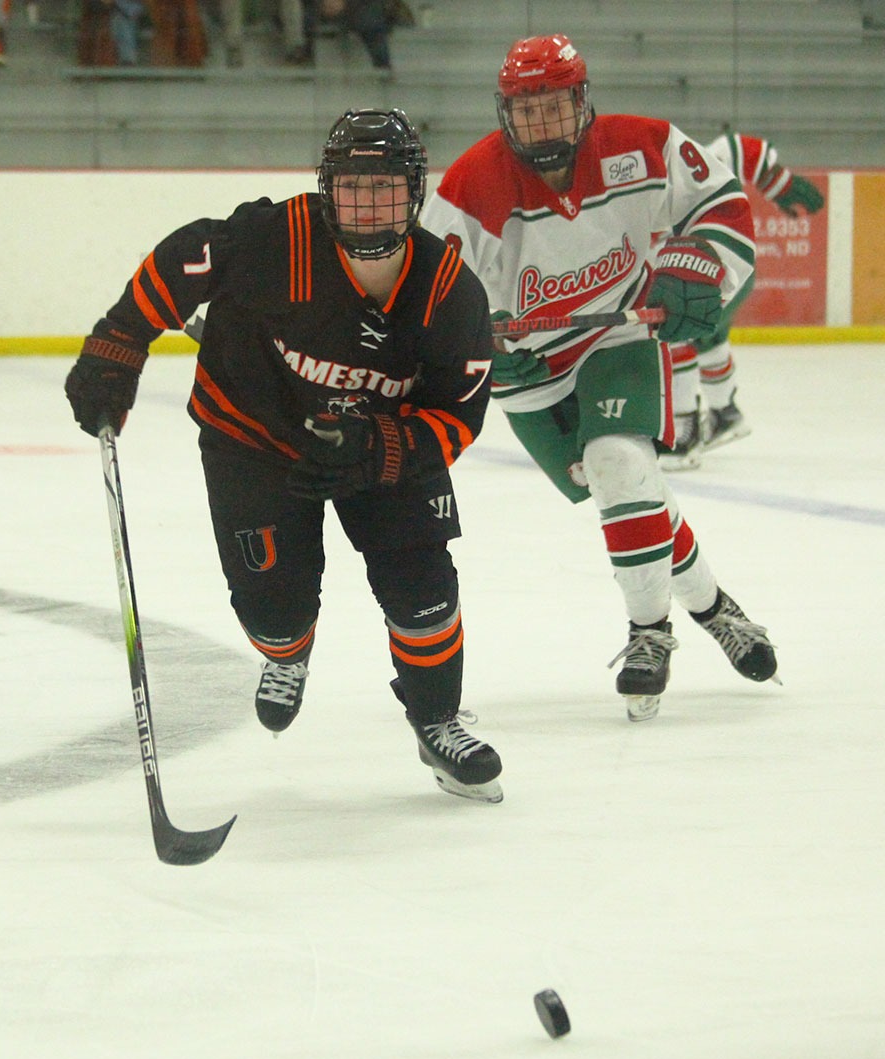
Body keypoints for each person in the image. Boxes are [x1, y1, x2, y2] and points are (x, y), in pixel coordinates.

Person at [63, 109, 505, 803]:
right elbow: (184, 256)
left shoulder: (450, 292)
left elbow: (459, 412)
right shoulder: (277, 239)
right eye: (354, 187)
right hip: (253, 436)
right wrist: (120, 340)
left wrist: (380, 449)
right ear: (328, 188)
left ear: (414, 193)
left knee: (424, 591)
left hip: (378, 454)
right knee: (273, 609)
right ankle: (287, 652)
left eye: (384, 188)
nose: (367, 206)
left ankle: (437, 719)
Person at [422, 33, 778, 723]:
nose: (542, 125)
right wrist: (470, 338)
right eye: (527, 112)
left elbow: (722, 206)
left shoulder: (641, 145)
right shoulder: (473, 183)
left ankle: (649, 634)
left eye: (554, 108)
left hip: (617, 335)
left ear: (583, 102)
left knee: (618, 461)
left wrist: (697, 263)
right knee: (626, 491)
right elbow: (431, 292)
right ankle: (714, 607)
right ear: (505, 114)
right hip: (524, 369)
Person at [660, 131, 827, 469]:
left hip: (712, 269)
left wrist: (779, 183)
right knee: (709, 335)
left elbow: (736, 147)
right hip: (735, 266)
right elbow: (738, 148)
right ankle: (726, 414)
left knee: (677, 329)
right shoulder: (682, 168)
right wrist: (778, 183)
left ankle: (685, 429)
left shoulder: (666, 178)